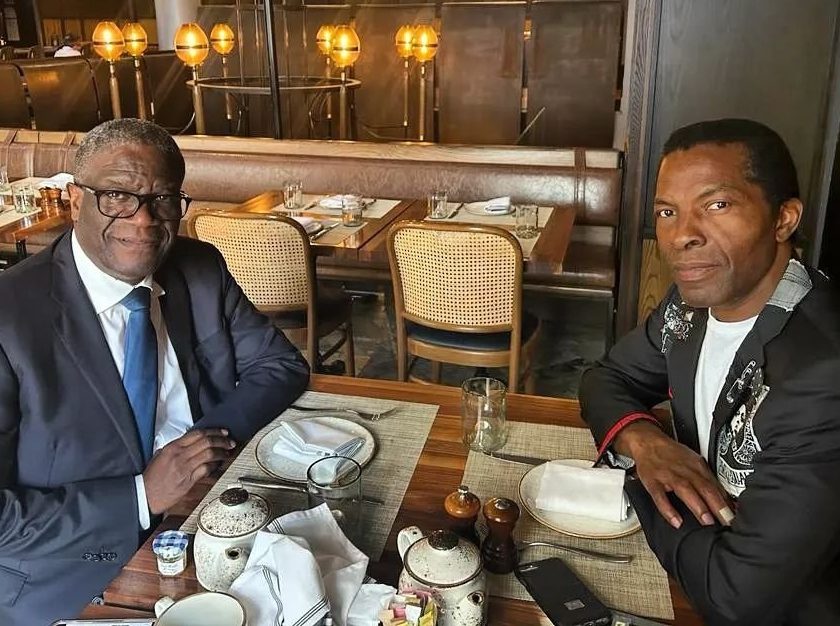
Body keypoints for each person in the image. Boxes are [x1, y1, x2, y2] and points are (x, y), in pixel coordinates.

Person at [0, 119, 310, 625]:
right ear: (76, 200)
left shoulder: (198, 266)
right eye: (117, 196)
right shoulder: (9, 315)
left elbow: (280, 364)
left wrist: (200, 447)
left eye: (162, 198)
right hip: (71, 578)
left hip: (209, 522)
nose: (143, 220)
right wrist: (141, 495)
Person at [580, 118, 840, 625]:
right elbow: (606, 378)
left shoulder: (822, 375)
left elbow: (735, 598)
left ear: (783, 219)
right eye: (667, 212)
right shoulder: (688, 310)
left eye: (717, 205)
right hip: (694, 561)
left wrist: (636, 476)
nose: (681, 236)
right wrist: (646, 444)